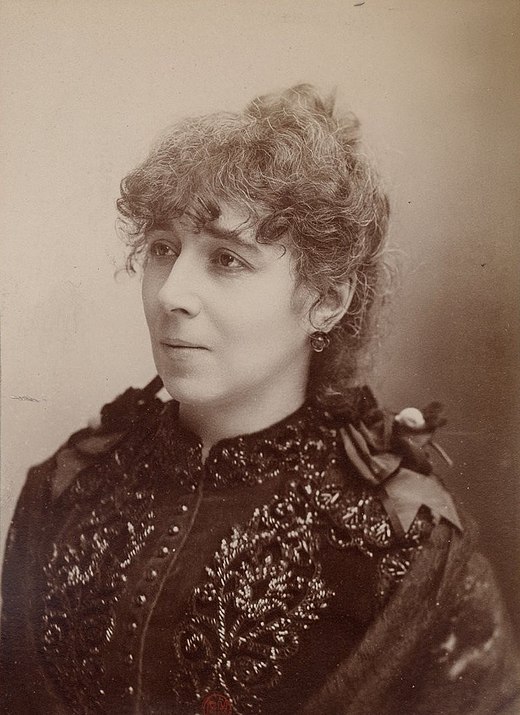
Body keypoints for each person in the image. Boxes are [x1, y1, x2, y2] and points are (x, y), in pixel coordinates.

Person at [1, 84, 518, 715]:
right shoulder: (70, 486)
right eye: (163, 249)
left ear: (326, 300)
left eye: (227, 260)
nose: (171, 294)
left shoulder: (400, 541)